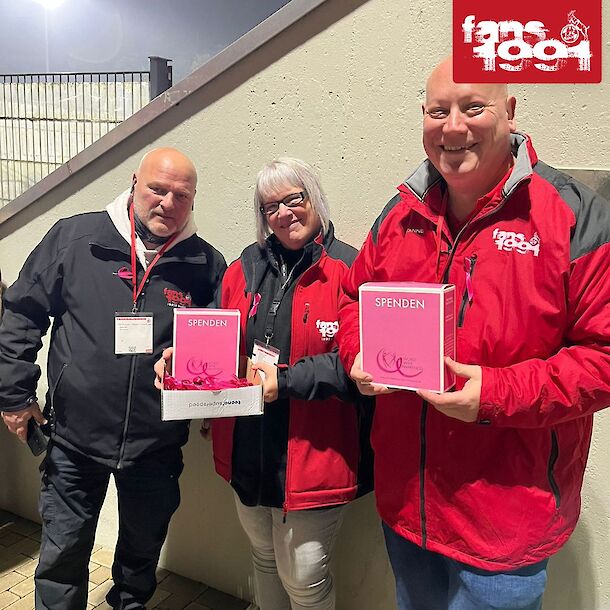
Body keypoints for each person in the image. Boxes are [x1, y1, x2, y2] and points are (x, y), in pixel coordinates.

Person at [337, 57, 610, 610]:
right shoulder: (399, 214)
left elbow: (602, 359)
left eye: (473, 107)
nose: (453, 127)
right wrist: (355, 354)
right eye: (438, 111)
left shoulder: (575, 217)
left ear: (510, 112)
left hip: (507, 527)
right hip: (408, 510)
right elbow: (352, 300)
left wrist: (492, 394)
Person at [0, 148, 227, 610]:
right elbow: (22, 314)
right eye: (157, 189)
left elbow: (215, 344)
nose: (167, 202)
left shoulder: (204, 264)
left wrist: (211, 406)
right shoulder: (76, 238)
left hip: (156, 443)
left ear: (194, 199)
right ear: (134, 183)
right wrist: (15, 395)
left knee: (142, 555)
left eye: (181, 195)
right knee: (62, 553)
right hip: (74, 438)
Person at [156, 157, 373, 610]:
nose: (285, 212)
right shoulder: (245, 267)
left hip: (317, 451)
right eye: (271, 205)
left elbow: (361, 364)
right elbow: (218, 335)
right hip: (249, 446)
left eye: (295, 198)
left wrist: (287, 381)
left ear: (315, 199)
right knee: (264, 557)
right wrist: (186, 358)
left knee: (306, 577)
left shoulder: (350, 270)